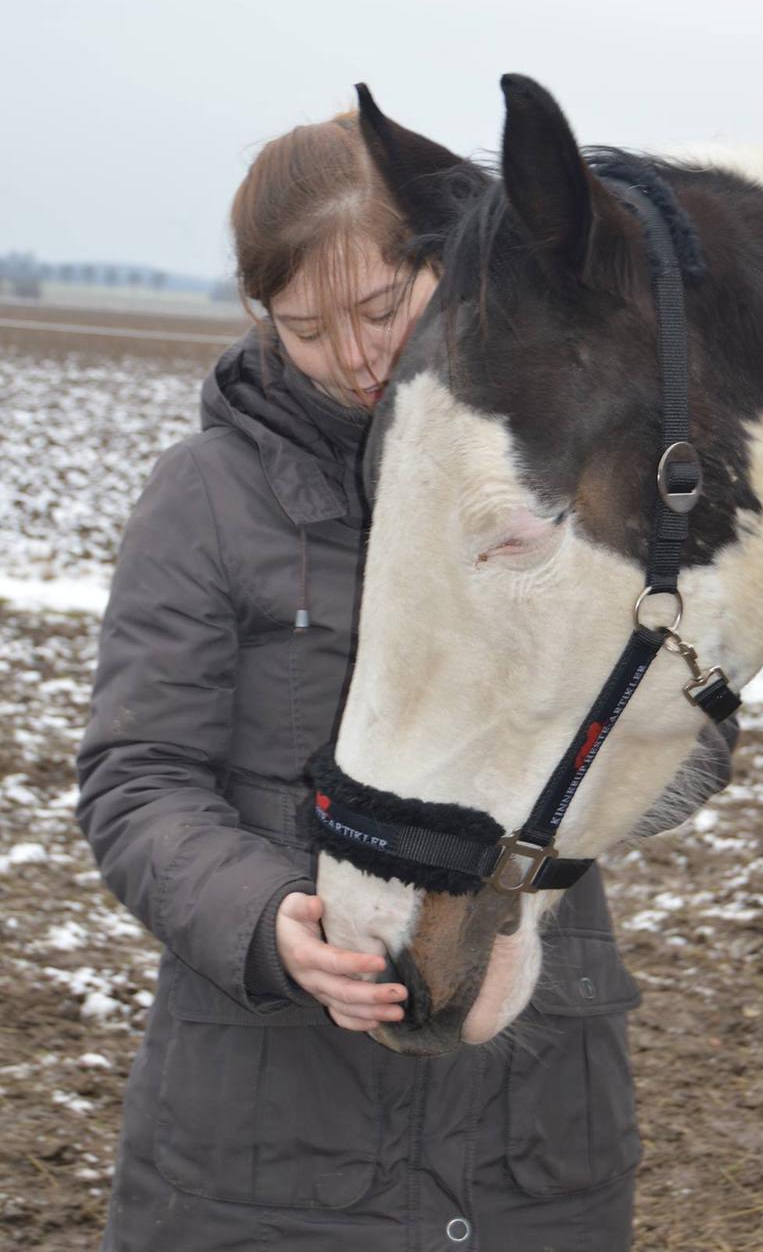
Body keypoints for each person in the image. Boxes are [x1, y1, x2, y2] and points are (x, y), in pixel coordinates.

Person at [76, 96, 642, 1252]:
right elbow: (137, 780)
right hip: (270, 1138)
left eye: (385, 307)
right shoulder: (205, 500)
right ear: (260, 314)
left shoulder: (561, 470)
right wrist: (261, 921)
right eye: (305, 326)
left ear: (442, 266)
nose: (357, 355)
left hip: (533, 1130)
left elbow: (691, 724)